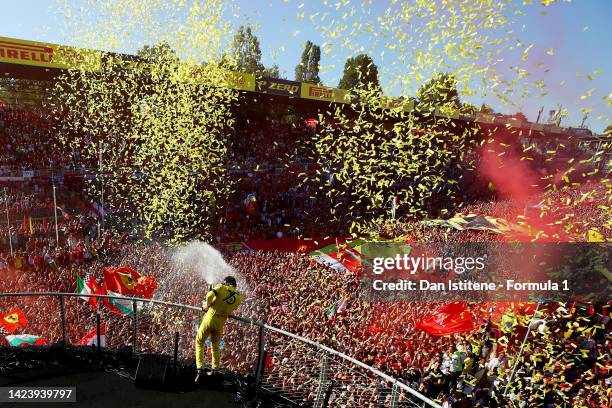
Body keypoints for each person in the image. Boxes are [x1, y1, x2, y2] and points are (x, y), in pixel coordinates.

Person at [195, 275, 244, 382]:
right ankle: (215, 369)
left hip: (210, 318)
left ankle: (200, 368)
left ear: (226, 282)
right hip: (221, 323)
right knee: (215, 346)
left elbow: (209, 296)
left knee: (199, 342)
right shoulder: (239, 296)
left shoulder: (221, 287)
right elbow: (230, 308)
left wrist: (207, 305)